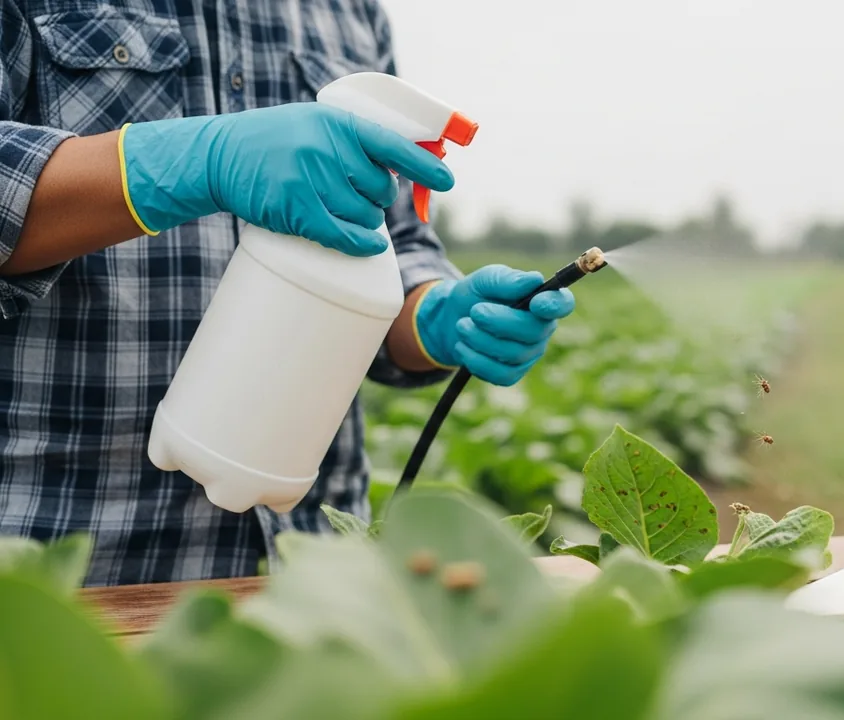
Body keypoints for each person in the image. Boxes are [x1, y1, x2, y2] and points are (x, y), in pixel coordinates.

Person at [0, 1, 574, 586]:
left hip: (312, 570)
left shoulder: (350, 13)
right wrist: (187, 162)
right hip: (61, 557)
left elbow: (390, 240)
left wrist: (433, 315)